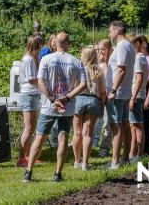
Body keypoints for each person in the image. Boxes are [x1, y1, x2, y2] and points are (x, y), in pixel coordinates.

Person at [22, 32, 87, 183]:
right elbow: (84, 84)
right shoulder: (76, 61)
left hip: (48, 106)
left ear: (54, 43)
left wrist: (52, 99)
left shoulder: (46, 58)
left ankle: (28, 172)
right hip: (67, 106)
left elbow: (40, 82)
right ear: (68, 43)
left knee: (39, 137)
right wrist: (67, 97)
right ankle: (57, 174)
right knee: (63, 137)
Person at [106, 21, 135, 169]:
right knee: (124, 125)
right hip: (125, 92)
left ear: (118, 30)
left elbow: (121, 70)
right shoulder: (129, 45)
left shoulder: (122, 46)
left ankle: (115, 161)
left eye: (110, 31)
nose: (109, 34)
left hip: (118, 93)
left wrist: (113, 90)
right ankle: (124, 158)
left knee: (115, 126)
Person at [72, 47, 106, 171]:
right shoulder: (99, 71)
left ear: (84, 56)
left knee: (77, 133)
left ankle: (77, 161)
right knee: (88, 134)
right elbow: (103, 92)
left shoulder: (78, 70)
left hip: (78, 100)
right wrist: (102, 106)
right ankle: (85, 164)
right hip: (93, 100)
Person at [17, 35, 43, 167]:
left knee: (31, 128)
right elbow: (32, 79)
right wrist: (44, 83)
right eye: (40, 46)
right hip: (29, 95)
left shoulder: (31, 59)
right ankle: (21, 158)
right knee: (28, 128)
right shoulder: (28, 60)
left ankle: (27, 156)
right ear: (36, 46)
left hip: (33, 95)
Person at [128, 35, 149, 163]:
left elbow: (140, 79)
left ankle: (139, 154)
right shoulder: (140, 58)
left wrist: (133, 98)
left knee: (138, 125)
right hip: (137, 95)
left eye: (131, 43)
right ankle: (132, 153)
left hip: (137, 95)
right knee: (134, 125)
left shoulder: (138, 59)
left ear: (137, 44)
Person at [97, 39, 113, 157]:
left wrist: (104, 63)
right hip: (96, 96)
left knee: (107, 123)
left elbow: (108, 80)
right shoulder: (96, 62)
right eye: (98, 49)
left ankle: (104, 148)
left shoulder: (110, 62)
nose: (100, 52)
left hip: (108, 96)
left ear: (108, 50)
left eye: (102, 49)